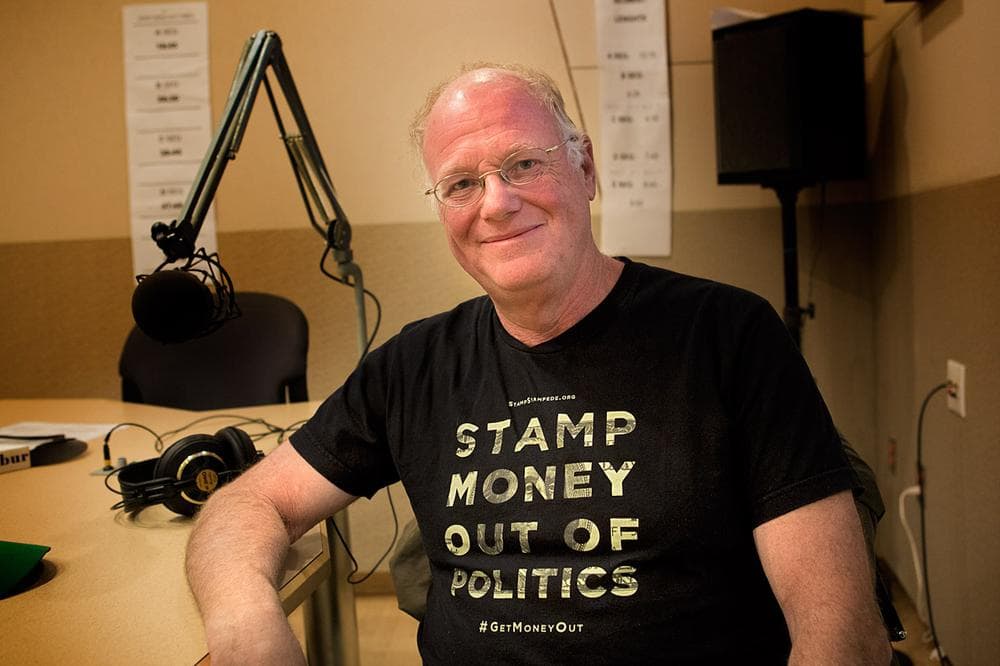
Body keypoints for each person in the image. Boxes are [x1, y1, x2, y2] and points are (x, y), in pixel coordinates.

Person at [186, 64, 891, 665]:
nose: (496, 202)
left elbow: (842, 639)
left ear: (585, 167)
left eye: (524, 163)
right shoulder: (413, 366)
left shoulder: (727, 335)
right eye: (461, 183)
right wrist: (247, 621)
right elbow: (250, 502)